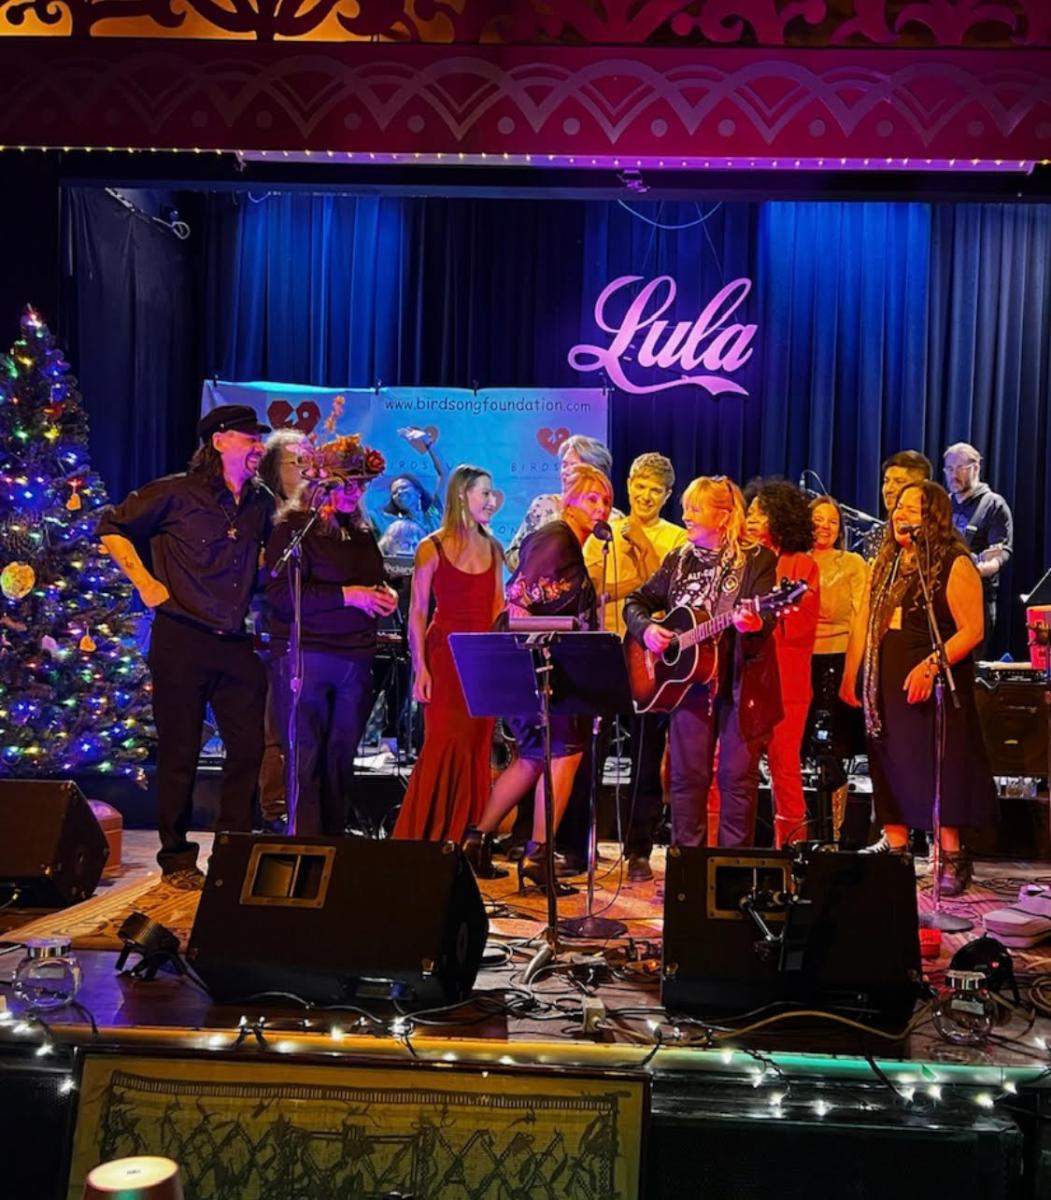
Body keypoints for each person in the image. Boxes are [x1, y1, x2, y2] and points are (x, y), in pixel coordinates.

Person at [97, 404, 273, 889]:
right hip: (181, 637)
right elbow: (111, 526)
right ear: (219, 441)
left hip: (234, 640)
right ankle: (176, 859)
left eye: (259, 439)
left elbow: (267, 560)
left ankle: (233, 851)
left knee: (248, 749)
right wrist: (146, 585)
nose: (258, 447)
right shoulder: (174, 493)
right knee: (180, 753)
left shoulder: (260, 501)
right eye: (249, 438)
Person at [840, 481, 997, 895]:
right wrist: (852, 674)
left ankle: (951, 856)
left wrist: (931, 665)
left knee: (938, 766)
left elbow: (973, 629)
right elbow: (864, 622)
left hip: (932, 685)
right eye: (898, 507)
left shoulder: (953, 561)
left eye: (913, 508)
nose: (901, 515)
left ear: (935, 517)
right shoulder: (886, 561)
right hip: (884, 685)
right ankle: (895, 847)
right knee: (888, 761)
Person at [464, 463, 613, 892]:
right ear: (569, 501)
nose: (601, 508)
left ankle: (477, 841)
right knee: (565, 753)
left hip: (535, 662)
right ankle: (537, 854)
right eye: (591, 498)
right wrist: (536, 652)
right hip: (535, 663)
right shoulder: (556, 538)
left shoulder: (569, 544)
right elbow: (519, 602)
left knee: (533, 755)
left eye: (606, 501)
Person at [623, 476, 781, 849]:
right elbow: (636, 601)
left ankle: (732, 873)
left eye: (695, 509)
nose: (686, 516)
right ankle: (687, 870)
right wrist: (647, 630)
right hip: (687, 687)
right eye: (686, 508)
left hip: (740, 685)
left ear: (723, 517)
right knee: (686, 779)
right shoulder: (679, 559)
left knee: (736, 780)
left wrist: (755, 623)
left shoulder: (757, 559)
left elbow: (766, 618)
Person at [265, 434, 398, 836]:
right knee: (306, 754)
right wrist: (348, 595)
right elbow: (281, 595)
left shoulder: (360, 530)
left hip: (354, 656)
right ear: (322, 483)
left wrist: (385, 594)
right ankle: (306, 840)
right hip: (309, 654)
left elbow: (372, 577)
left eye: (362, 486)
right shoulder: (295, 528)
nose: (356, 493)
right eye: (348, 485)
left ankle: (334, 838)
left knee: (341, 754)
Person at [583, 452, 687, 881]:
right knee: (592, 750)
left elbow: (668, 598)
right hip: (606, 651)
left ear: (667, 495)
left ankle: (639, 850)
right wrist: (630, 582)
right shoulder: (604, 531)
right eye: (639, 486)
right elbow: (591, 589)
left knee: (647, 754)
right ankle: (583, 841)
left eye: (655, 490)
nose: (645, 496)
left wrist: (643, 549)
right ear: (628, 485)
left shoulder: (678, 538)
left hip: (650, 660)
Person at [392, 466, 504, 843]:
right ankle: (426, 838)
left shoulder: (494, 548)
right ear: (461, 495)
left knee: (477, 747)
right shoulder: (432, 546)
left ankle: (468, 841)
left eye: (492, 493)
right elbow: (418, 611)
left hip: (482, 661)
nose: (491, 501)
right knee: (443, 743)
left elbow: (498, 610)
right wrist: (420, 667)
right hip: (445, 658)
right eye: (484, 493)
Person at [743, 479, 820, 847]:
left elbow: (801, 629)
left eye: (761, 513)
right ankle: (718, 850)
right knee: (726, 767)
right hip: (743, 679)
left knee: (784, 767)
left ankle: (791, 853)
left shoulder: (801, 565)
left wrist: (763, 619)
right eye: (749, 512)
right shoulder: (740, 559)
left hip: (787, 683)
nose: (751, 519)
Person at [255, 429, 310, 828]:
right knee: (277, 723)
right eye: (297, 462)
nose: (306, 469)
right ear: (275, 469)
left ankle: (303, 805)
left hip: (311, 629)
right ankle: (274, 808)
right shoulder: (264, 511)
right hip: (271, 627)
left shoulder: (316, 512)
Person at [806, 495, 868, 834]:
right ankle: (803, 831)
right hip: (799, 660)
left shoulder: (853, 563)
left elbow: (861, 619)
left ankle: (835, 834)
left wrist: (851, 674)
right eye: (818, 519)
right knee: (803, 748)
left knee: (833, 749)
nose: (824, 526)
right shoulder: (794, 561)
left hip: (839, 659)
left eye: (832, 521)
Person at [943, 442, 1013, 660]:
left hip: (976, 599)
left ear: (976, 468)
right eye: (949, 469)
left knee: (969, 664)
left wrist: (976, 570)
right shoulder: (944, 504)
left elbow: (999, 555)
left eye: (960, 468)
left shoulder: (993, 505)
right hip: (943, 599)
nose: (953, 475)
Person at [505, 434, 617, 570]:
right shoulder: (546, 506)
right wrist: (540, 562)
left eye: (574, 466)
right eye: (564, 465)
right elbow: (512, 556)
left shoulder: (614, 520)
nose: (566, 472)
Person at [377, 426, 448, 557]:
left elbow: (445, 474)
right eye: (395, 492)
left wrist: (428, 442)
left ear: (418, 492)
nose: (399, 493)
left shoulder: (434, 514)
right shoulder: (397, 527)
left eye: (404, 487)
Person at [862, 450, 933, 561]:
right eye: (886, 481)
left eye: (899, 482)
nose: (888, 489)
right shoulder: (876, 536)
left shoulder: (938, 535)